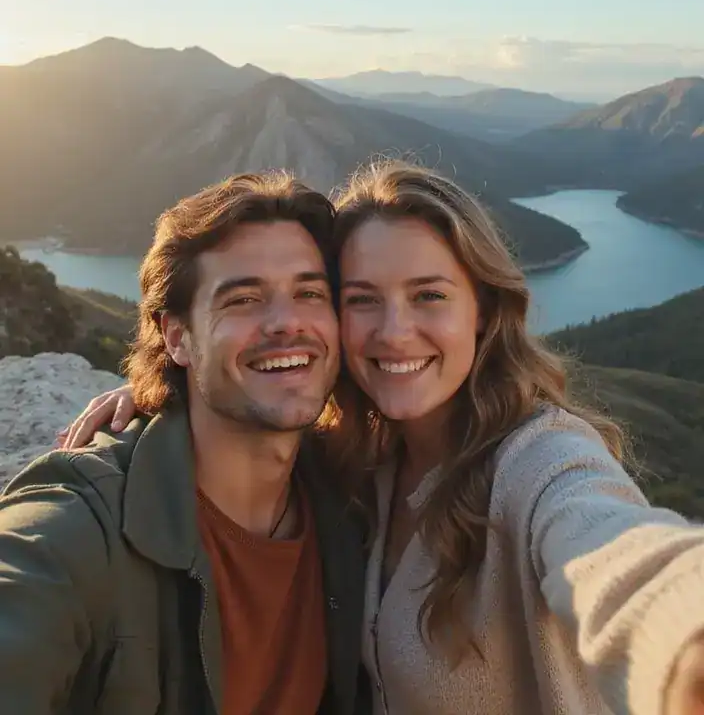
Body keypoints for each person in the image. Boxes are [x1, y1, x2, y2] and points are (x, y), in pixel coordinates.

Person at [60, 161, 704, 715]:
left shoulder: (538, 460)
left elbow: (614, 555)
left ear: (482, 311)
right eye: (363, 299)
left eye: (428, 295)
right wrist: (183, 387)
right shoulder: (355, 465)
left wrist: (682, 642)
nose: (394, 332)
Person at [0, 172, 369, 715]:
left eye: (310, 293)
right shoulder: (82, 530)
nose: (287, 322)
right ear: (177, 337)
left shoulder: (354, 501)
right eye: (243, 299)